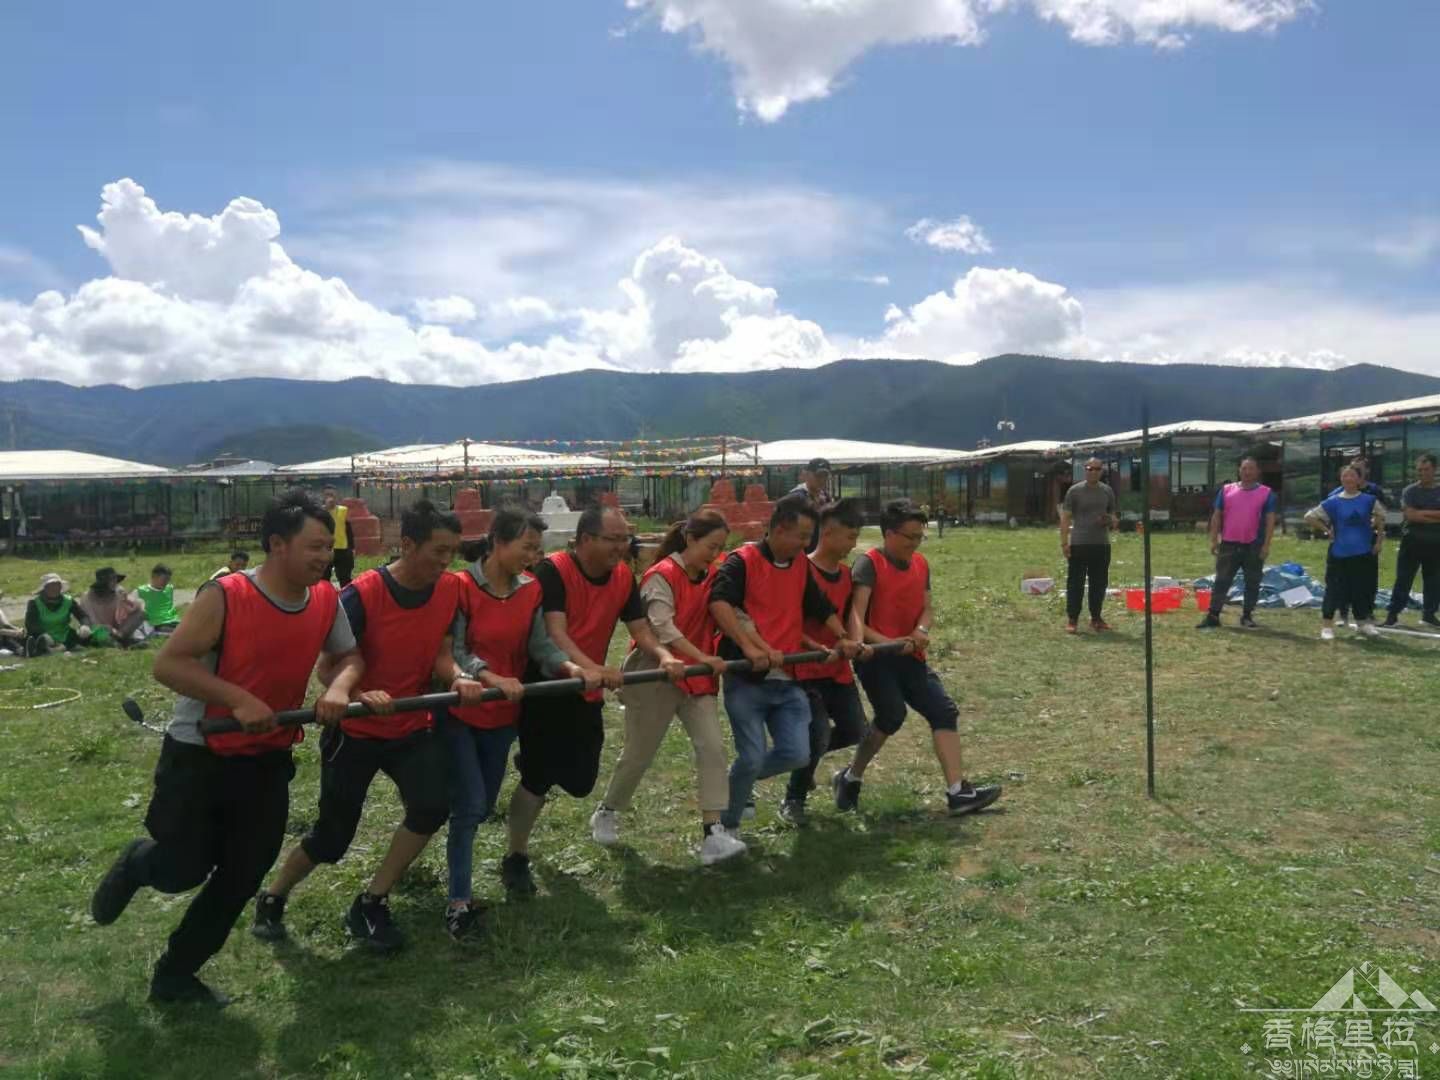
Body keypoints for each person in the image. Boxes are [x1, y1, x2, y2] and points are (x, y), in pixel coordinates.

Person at [88, 491, 358, 1007]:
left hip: (268, 757)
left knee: (245, 871)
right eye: (315, 546)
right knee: (183, 870)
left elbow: (348, 656)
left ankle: (176, 974)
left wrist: (341, 687)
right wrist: (237, 698)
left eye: (329, 547)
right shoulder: (227, 595)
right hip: (200, 754)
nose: (325, 557)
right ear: (277, 544)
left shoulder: (325, 598)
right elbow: (169, 664)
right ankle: (138, 863)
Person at [253, 500, 477, 951]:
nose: (445, 561)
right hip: (355, 732)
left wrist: (457, 677)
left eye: (452, 552)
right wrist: (358, 695)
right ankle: (273, 896)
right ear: (407, 544)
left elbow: (441, 653)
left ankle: (372, 901)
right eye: (438, 550)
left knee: (431, 808)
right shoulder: (362, 594)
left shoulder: (450, 589)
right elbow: (327, 668)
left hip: (410, 726)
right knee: (333, 838)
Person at [501, 505, 684, 897]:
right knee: (537, 778)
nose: (622, 546)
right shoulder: (553, 571)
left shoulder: (623, 576)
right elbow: (555, 633)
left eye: (625, 538)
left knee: (581, 782)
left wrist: (664, 655)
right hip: (546, 687)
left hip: (586, 691)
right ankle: (516, 855)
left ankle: (534, 765)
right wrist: (593, 668)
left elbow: (640, 629)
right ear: (585, 540)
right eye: (613, 539)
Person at [442, 506, 590, 939]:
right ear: (497, 542)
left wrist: (571, 668)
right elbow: (455, 650)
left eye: (537, 549)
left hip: (504, 715)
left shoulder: (530, 590)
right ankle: (458, 902)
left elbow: (541, 645)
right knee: (471, 806)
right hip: (460, 712)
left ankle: (449, 859)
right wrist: (488, 677)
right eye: (526, 547)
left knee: (483, 804)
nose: (532, 557)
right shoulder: (461, 586)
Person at [590, 510, 744, 864]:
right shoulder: (661, 575)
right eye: (710, 546)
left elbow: (731, 614)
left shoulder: (714, 576)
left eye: (720, 548)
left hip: (697, 677)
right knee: (639, 753)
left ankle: (713, 833)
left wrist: (753, 645)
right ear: (690, 539)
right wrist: (702, 656)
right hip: (655, 673)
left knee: (713, 747)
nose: (715, 554)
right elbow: (662, 628)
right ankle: (608, 810)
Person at [833, 499, 1002, 817]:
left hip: (911, 655)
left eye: (919, 536)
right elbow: (855, 618)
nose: (914, 543)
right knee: (891, 716)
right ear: (888, 533)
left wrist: (920, 630)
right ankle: (850, 778)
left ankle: (958, 792)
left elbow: (927, 608)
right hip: (876, 658)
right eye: (909, 536)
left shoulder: (921, 564)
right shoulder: (869, 564)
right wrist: (889, 643)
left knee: (943, 711)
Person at [710, 493, 861, 835]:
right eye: (802, 536)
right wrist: (748, 647)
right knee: (752, 756)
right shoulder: (742, 561)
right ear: (779, 530)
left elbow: (819, 606)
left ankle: (734, 783)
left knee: (797, 753)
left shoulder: (800, 565)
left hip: (789, 677)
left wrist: (842, 637)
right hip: (746, 679)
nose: (807, 544)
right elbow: (719, 604)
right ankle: (725, 827)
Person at [780, 499, 872, 826]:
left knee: (855, 730)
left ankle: (804, 760)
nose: (853, 545)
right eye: (850, 537)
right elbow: (788, 620)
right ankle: (794, 797)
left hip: (837, 668)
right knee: (817, 733)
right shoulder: (799, 570)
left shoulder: (846, 575)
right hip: (805, 667)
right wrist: (815, 646)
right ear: (828, 533)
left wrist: (856, 642)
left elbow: (851, 616)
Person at [1197, 457, 1277, 630]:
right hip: (1229, 544)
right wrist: (1214, 539)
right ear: (1239, 471)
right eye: (1244, 468)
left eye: (1251, 468)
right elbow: (1217, 516)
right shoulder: (1226, 490)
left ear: (1257, 471)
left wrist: (1266, 545)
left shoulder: (1266, 493)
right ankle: (1213, 615)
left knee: (1252, 582)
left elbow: (1270, 520)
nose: (1247, 472)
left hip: (1254, 545)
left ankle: (1247, 616)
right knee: (1222, 580)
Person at [1307, 466, 1386, 640]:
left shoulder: (1369, 500)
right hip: (1339, 553)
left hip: (1362, 553)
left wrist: (1379, 540)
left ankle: (1362, 623)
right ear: (1341, 479)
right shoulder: (1333, 501)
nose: (1348, 478)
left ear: (1359, 479)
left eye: (1352, 475)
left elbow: (1381, 516)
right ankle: (1327, 625)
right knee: (1334, 589)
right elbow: (1309, 516)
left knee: (1361, 589)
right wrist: (1327, 530)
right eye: (1345, 476)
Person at [1059, 458, 1119, 633]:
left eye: (1096, 469)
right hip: (1079, 543)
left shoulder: (1107, 491)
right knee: (1075, 582)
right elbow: (1065, 518)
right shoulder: (1074, 491)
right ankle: (1073, 619)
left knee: (1099, 583)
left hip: (1101, 544)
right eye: (1089, 468)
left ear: (1102, 471)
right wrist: (1064, 543)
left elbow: (1114, 517)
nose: (1093, 471)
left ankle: (1096, 618)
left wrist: (1109, 520)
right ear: (1084, 470)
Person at [1384, 452, 1440, 629]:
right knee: (1404, 578)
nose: (1422, 473)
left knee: (1433, 580)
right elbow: (1410, 516)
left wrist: (1421, 513)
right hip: (1412, 541)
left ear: (1435, 470)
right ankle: (1393, 615)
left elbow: (1417, 514)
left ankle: (1429, 614)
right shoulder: (1410, 491)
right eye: (1419, 470)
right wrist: (1435, 516)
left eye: (1426, 469)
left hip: (1435, 542)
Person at [1328, 457, 1386, 629]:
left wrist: (1378, 539)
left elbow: (1381, 516)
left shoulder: (1373, 493)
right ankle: (1343, 612)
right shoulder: (1336, 494)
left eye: (1357, 471)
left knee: (1367, 578)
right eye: (1349, 472)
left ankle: (1367, 612)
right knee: (1343, 578)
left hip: (1366, 542)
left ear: (1364, 473)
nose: (1351, 476)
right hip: (1343, 543)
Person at [77, 567, 149, 648]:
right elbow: (92, 622)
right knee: (102, 636)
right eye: (112, 580)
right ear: (103, 583)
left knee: (140, 614)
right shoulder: (87, 598)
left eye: (115, 579)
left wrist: (127, 600)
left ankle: (121, 640)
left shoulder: (119, 591)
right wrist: (107, 629)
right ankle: (125, 644)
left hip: (118, 631)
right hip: (99, 631)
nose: (115, 583)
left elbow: (138, 606)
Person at [24, 573, 94, 655]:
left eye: (57, 585)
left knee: (85, 638)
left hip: (65, 635)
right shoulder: (34, 603)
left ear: (61, 587)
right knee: (39, 641)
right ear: (44, 588)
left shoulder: (69, 601)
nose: (54, 588)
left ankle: (58, 649)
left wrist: (85, 626)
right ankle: (46, 649)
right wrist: (43, 634)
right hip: (43, 636)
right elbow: (30, 624)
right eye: (51, 586)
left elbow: (82, 616)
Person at [787, 457, 834, 554]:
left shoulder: (826, 497)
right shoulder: (796, 498)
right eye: (818, 476)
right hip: (800, 553)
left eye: (825, 476)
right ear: (807, 475)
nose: (822, 480)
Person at [323, 487, 357, 587]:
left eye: (332, 495)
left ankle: (345, 595)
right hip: (326, 549)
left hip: (342, 548)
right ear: (324, 497)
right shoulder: (320, 512)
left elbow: (348, 529)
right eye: (328, 495)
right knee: (324, 578)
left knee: (345, 578)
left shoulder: (343, 510)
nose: (331, 498)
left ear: (337, 497)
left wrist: (352, 548)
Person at [137, 564, 183, 634]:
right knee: (179, 632)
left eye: (168, 580)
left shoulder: (169, 589)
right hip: (158, 623)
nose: (166, 582)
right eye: (164, 579)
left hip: (174, 620)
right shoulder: (142, 591)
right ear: (154, 577)